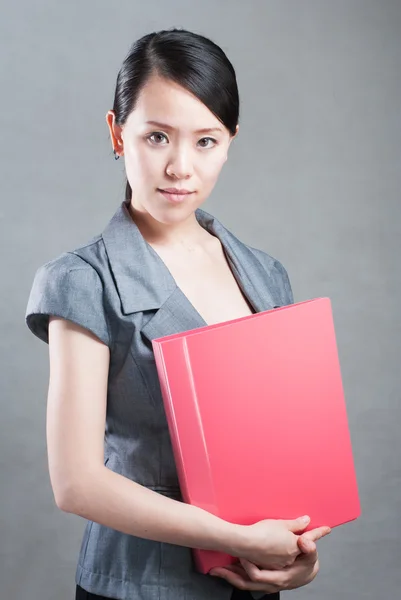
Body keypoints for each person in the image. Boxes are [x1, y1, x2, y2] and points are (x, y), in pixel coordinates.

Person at [25, 28, 330, 600]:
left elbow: (287, 452)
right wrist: (237, 537)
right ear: (117, 133)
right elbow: (77, 483)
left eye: (206, 141)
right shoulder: (81, 279)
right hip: (137, 586)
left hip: (255, 584)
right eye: (158, 136)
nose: (180, 167)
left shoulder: (266, 274)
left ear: (232, 140)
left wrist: (299, 560)